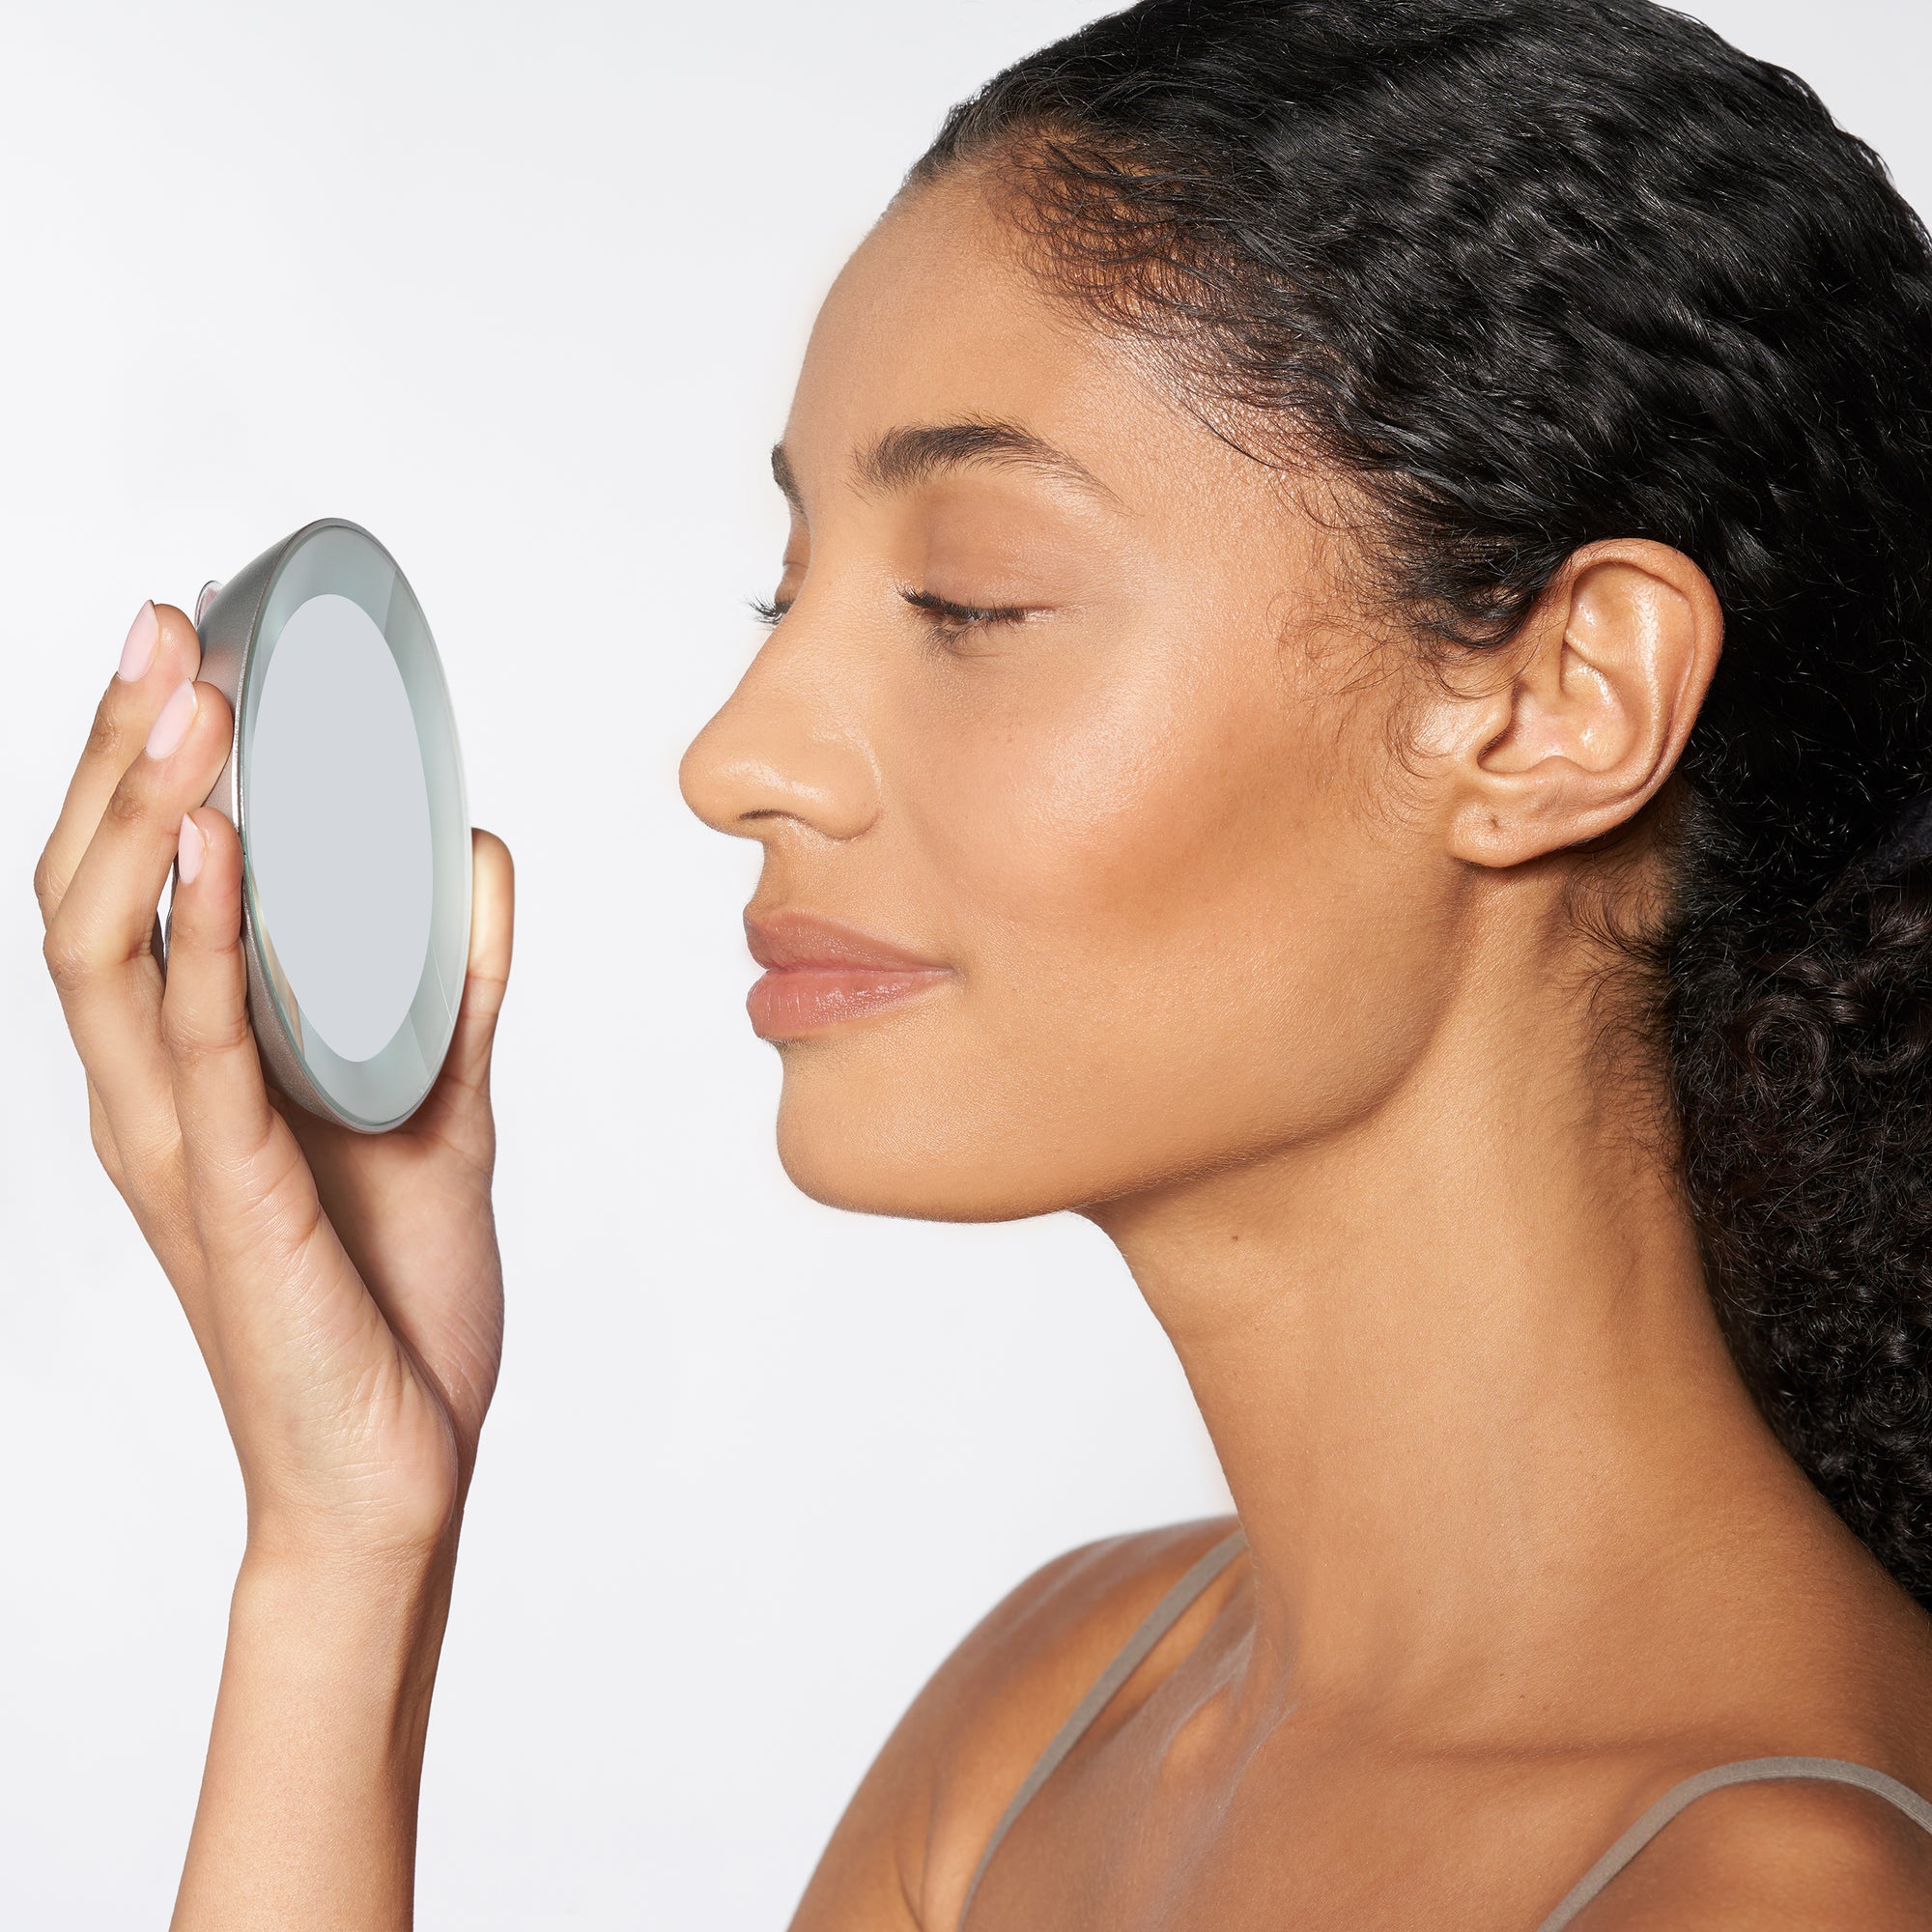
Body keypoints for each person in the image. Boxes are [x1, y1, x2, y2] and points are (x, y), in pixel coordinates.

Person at [34, 0, 1932, 1924]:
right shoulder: (1052, 1719)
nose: (734, 757)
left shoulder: (1778, 1890)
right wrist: (346, 1542)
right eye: (785, 593)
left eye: (970, 599)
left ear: (1556, 705)